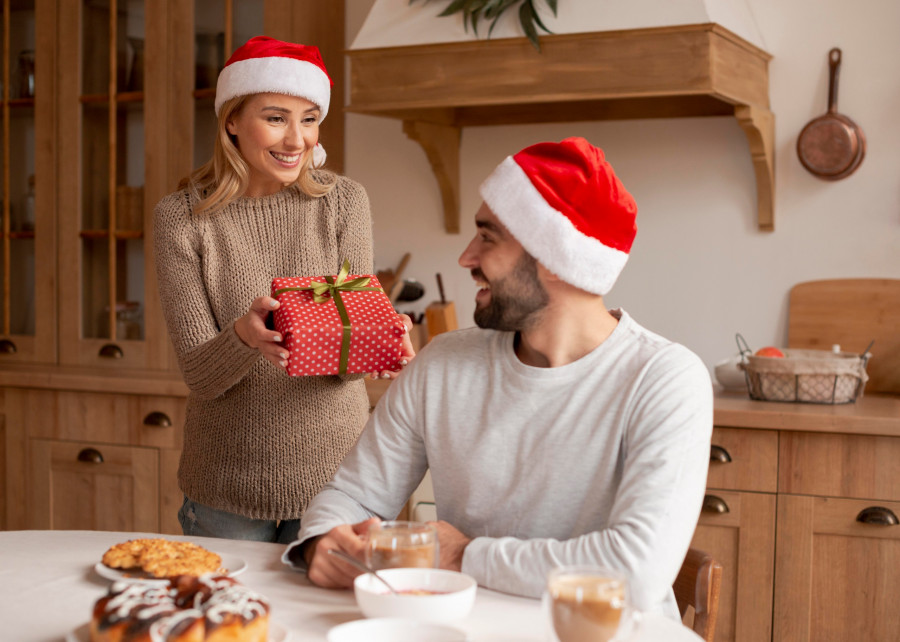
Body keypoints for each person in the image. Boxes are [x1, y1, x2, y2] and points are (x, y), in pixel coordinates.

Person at [282, 137, 713, 618]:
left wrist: (464, 555)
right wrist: (321, 540)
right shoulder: (443, 363)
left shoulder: (665, 380)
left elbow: (635, 572)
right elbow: (353, 495)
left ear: (553, 257)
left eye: (488, 237)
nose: (466, 257)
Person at [154, 36, 412, 544]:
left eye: (310, 119)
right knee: (231, 622)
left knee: (323, 621)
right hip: (224, 485)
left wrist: (380, 339)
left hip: (337, 479)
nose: (298, 140)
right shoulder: (182, 218)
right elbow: (200, 376)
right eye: (276, 118)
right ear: (231, 119)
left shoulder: (343, 203)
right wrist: (245, 338)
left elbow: (347, 352)